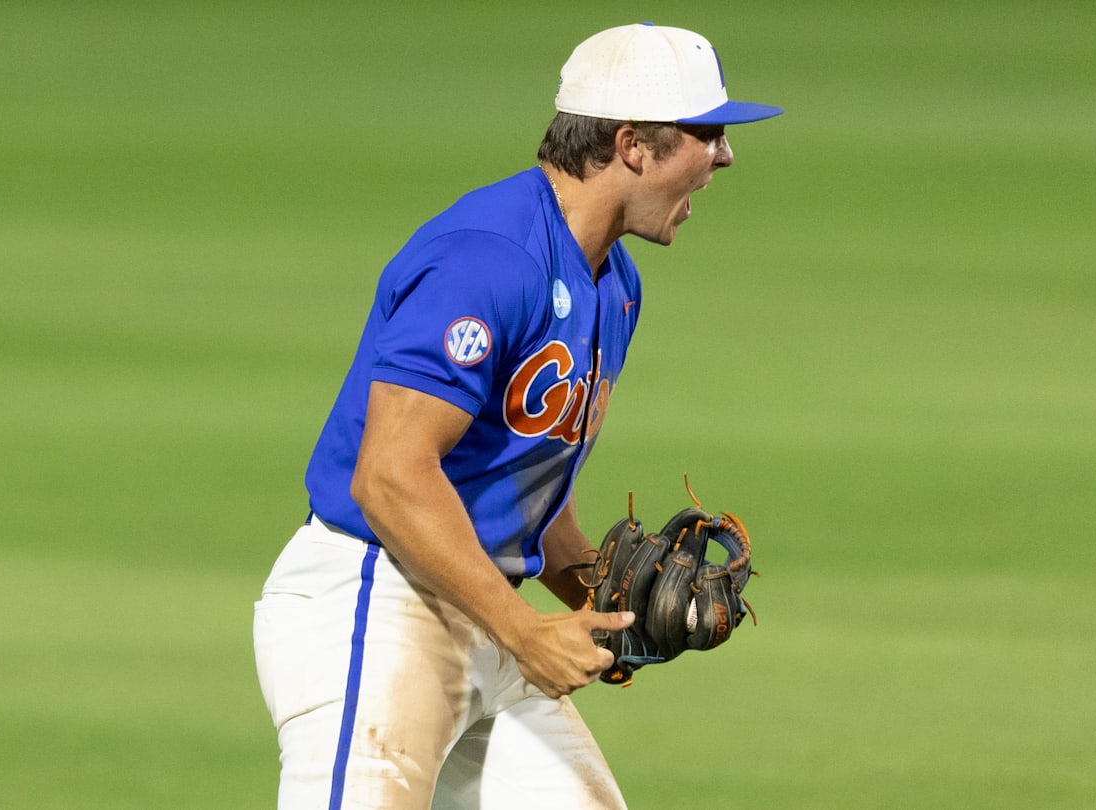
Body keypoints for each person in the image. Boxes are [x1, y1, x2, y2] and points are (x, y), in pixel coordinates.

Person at [252, 22, 781, 809]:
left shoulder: (616, 284)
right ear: (632, 144)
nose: (725, 156)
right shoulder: (486, 258)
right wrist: (522, 628)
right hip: (374, 602)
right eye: (708, 134)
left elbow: (526, 477)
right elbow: (390, 475)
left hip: (478, 607)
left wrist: (603, 603)